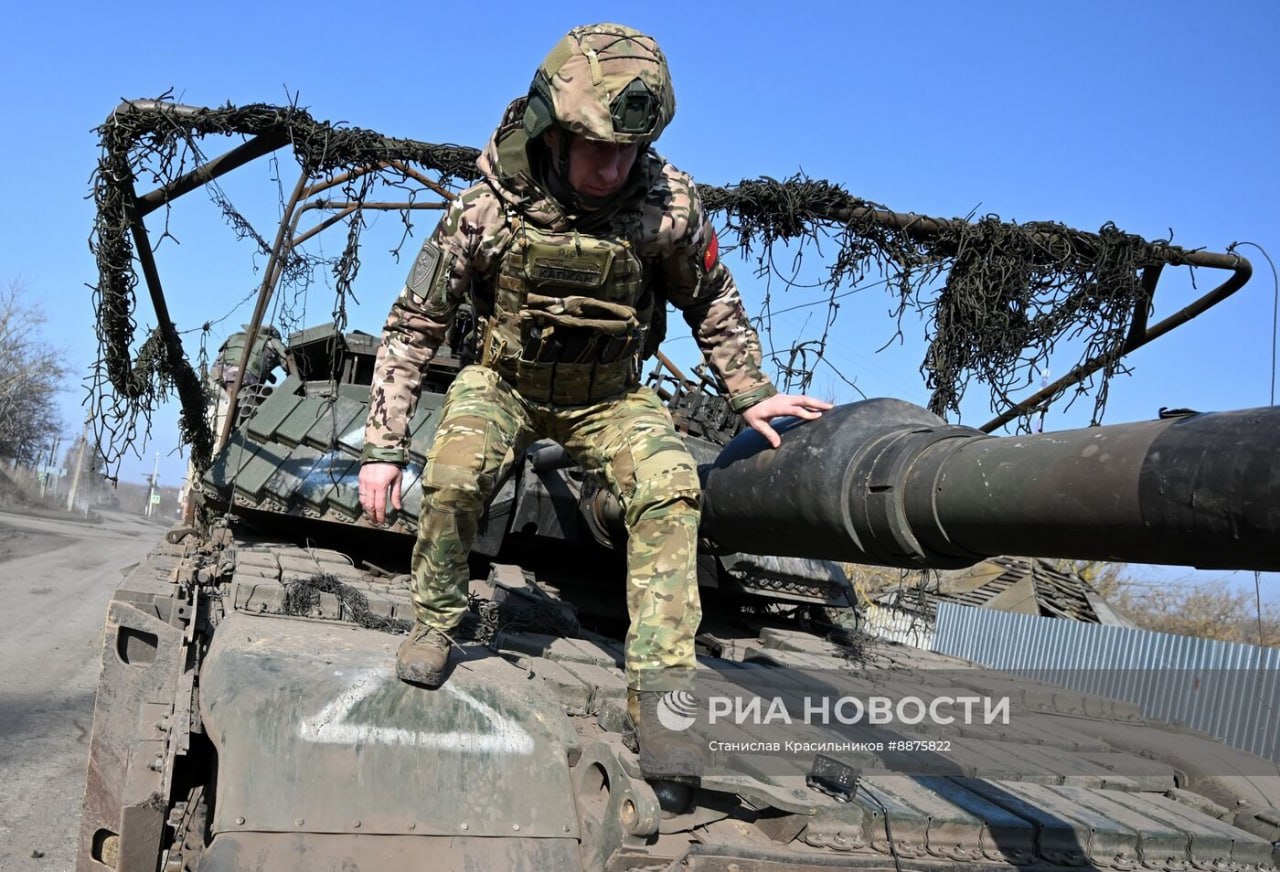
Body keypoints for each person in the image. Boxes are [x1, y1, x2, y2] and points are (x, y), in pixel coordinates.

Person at [358, 22, 830, 780]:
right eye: (597, 148)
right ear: (553, 129)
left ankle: (663, 700)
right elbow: (414, 327)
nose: (613, 168)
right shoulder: (485, 210)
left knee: (673, 488)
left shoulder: (667, 208)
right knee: (452, 475)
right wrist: (383, 449)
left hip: (610, 397)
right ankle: (438, 623)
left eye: (628, 151)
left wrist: (752, 393)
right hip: (504, 383)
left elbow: (710, 297)